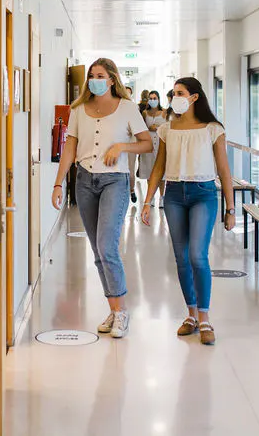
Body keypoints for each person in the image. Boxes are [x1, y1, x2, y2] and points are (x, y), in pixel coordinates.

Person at [52, 59, 152, 339]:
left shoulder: (127, 108)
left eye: (100, 76)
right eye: (91, 76)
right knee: (98, 251)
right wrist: (58, 183)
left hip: (114, 181)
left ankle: (122, 312)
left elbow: (147, 143)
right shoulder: (78, 110)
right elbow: (70, 146)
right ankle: (113, 309)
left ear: (111, 80)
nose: (94, 80)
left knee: (107, 246)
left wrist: (121, 146)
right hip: (84, 181)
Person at [142, 77, 236, 346]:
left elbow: (224, 170)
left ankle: (205, 318)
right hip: (173, 195)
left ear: (194, 97)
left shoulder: (213, 129)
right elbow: (158, 168)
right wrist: (147, 201)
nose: (175, 98)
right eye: (173, 93)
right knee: (181, 258)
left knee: (197, 255)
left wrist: (231, 208)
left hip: (203, 194)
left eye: (180, 93)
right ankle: (191, 315)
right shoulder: (166, 129)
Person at [136, 91, 165, 206]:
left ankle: (162, 197)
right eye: (151, 98)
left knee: (161, 171)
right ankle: (151, 196)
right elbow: (142, 127)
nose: (153, 100)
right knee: (149, 170)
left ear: (158, 99)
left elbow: (168, 126)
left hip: (160, 142)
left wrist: (158, 127)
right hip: (149, 143)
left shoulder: (164, 112)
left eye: (155, 98)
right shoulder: (145, 113)